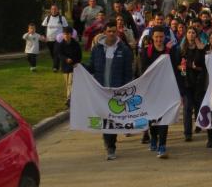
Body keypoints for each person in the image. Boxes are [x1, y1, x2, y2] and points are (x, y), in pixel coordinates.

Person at [85, 22, 133, 160]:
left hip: (116, 92)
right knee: (105, 119)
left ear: (117, 32)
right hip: (101, 91)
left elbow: (127, 73)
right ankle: (108, 143)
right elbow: (92, 68)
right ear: (105, 32)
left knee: (113, 119)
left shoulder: (124, 50)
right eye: (109, 31)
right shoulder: (97, 50)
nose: (112, 34)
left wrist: (124, 89)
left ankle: (111, 146)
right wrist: (79, 67)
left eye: (114, 31)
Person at [139, 26, 176, 159]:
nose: (159, 40)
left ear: (164, 38)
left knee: (164, 118)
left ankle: (162, 145)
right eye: (156, 37)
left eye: (161, 37)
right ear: (152, 38)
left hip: (166, 91)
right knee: (152, 118)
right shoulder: (146, 52)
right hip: (151, 91)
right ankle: (153, 138)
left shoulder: (170, 51)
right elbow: (143, 71)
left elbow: (176, 68)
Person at [178, 26, 207, 143]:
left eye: (193, 32)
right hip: (186, 81)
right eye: (189, 32)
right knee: (187, 108)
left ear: (196, 35)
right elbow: (178, 65)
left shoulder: (201, 48)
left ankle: (199, 124)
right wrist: (182, 67)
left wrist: (200, 50)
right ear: (186, 35)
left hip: (198, 81)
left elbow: (203, 64)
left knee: (198, 106)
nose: (191, 34)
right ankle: (187, 133)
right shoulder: (181, 49)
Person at [57, 26, 82, 107]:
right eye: (64, 34)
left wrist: (75, 62)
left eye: (67, 34)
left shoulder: (76, 44)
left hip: (73, 66)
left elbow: (79, 55)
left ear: (71, 35)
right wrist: (66, 59)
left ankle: (69, 98)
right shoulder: (61, 45)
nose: (66, 36)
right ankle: (71, 96)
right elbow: (60, 54)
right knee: (67, 83)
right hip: (64, 66)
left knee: (70, 82)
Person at [42, 4, 69, 72]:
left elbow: (66, 28)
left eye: (55, 9)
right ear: (50, 10)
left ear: (58, 10)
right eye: (52, 9)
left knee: (56, 52)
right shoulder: (47, 18)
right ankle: (57, 63)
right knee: (53, 53)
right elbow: (43, 27)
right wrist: (43, 36)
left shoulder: (62, 18)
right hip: (49, 39)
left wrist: (66, 36)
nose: (54, 10)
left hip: (58, 40)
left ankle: (55, 67)